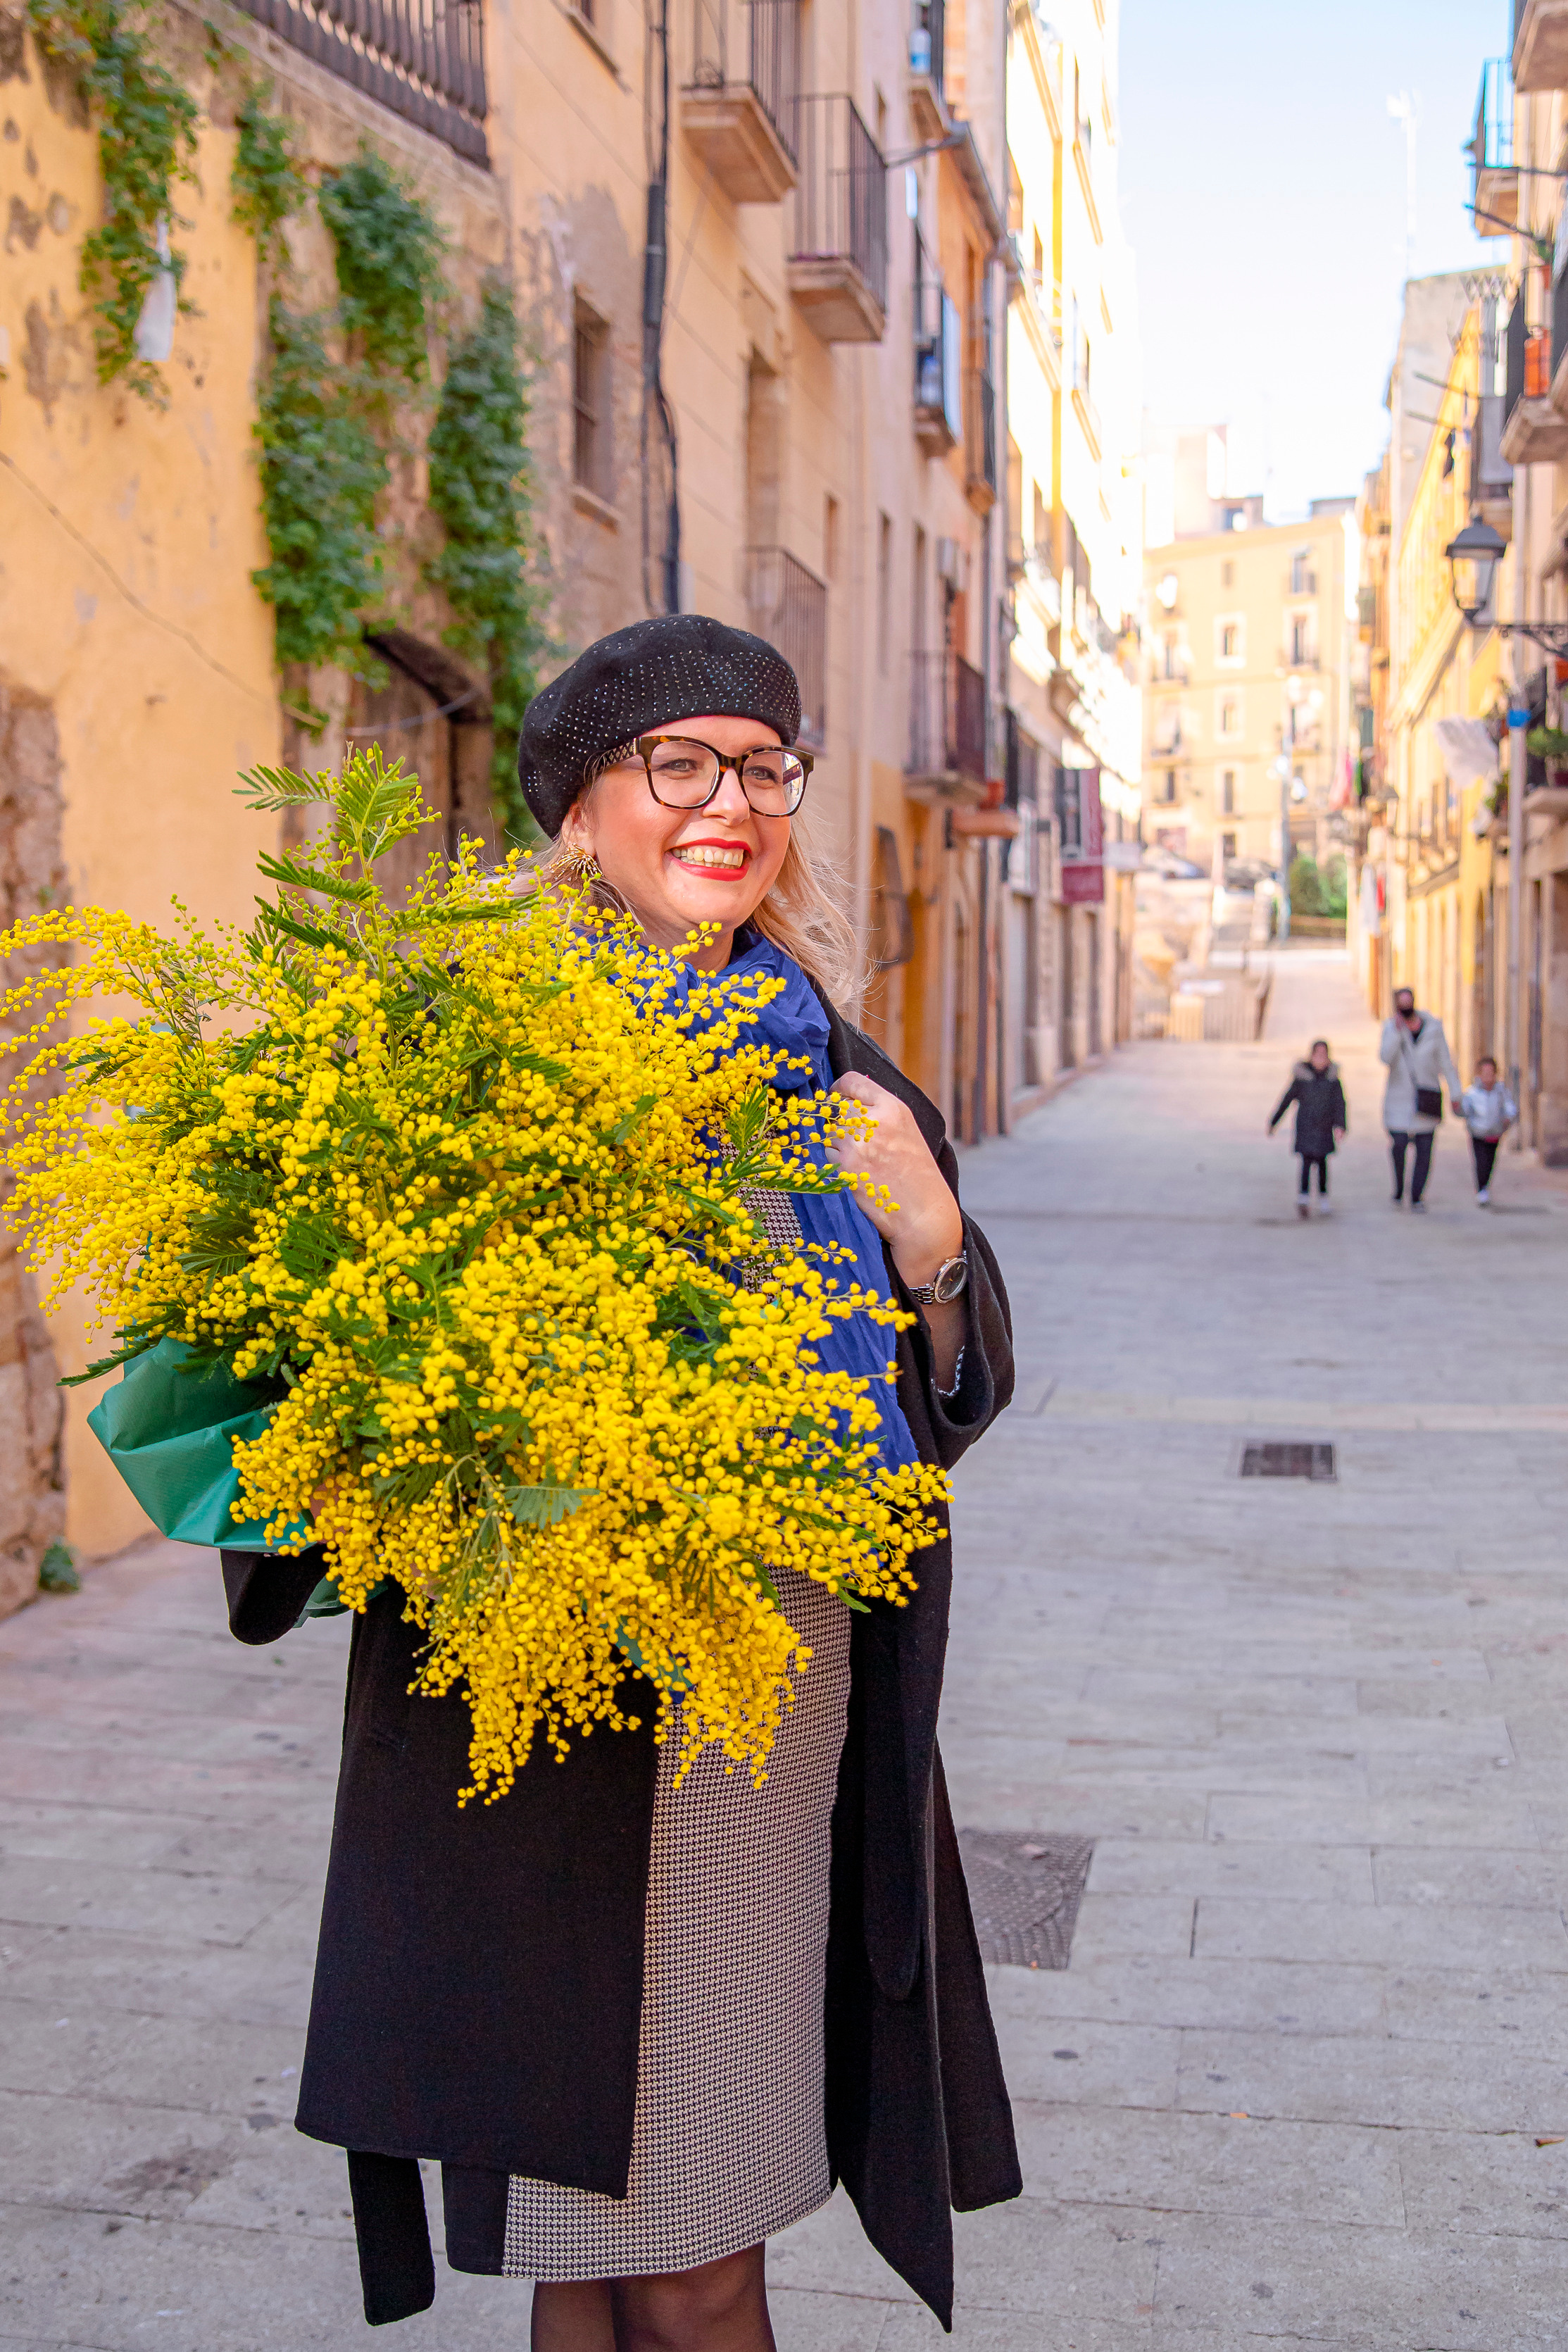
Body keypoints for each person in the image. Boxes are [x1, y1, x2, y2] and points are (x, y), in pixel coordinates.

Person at [218, 615, 1020, 2351]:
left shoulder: (835, 1072)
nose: (729, 799)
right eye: (680, 763)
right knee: (596, 2237)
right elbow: (307, 1389)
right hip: (545, 1720)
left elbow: (953, 1391)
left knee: (688, 2241)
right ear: (581, 810)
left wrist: (935, 1246)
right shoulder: (467, 1067)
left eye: (762, 768)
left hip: (762, 1706)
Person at [1380, 985, 1462, 1211]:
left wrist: (1456, 1093)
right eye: (1401, 1004)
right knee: (1398, 1146)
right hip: (1398, 1101)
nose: (1405, 1008)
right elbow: (1386, 1058)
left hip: (1426, 1098)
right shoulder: (1391, 1028)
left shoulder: (1434, 1029)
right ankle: (1399, 1188)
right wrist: (1397, 1034)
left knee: (1425, 1151)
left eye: (1409, 1003)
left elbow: (1446, 1062)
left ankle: (1417, 1195)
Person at [1268, 1037, 1347, 1218]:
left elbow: (1340, 1104)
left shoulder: (1333, 1080)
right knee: (1305, 1163)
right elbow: (1286, 1100)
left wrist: (1340, 1125)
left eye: (1323, 1055)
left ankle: (1323, 1197)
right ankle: (1303, 1197)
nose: (1320, 1059)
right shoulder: (1302, 1078)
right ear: (1310, 1056)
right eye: (1317, 1055)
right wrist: (1274, 1121)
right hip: (1306, 1127)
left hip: (1325, 1128)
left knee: (1322, 1164)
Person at [1459, 1053, 1518, 1205]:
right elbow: (1465, 1110)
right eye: (1485, 1074)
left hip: (1494, 1132)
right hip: (1478, 1132)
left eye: (1491, 1074)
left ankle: (1485, 1186)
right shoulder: (1472, 1093)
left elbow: (1509, 1106)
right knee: (1481, 1161)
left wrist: (1508, 1117)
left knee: (1490, 1160)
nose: (1488, 1077)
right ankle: (1481, 1189)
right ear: (1479, 1075)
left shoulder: (1501, 1091)